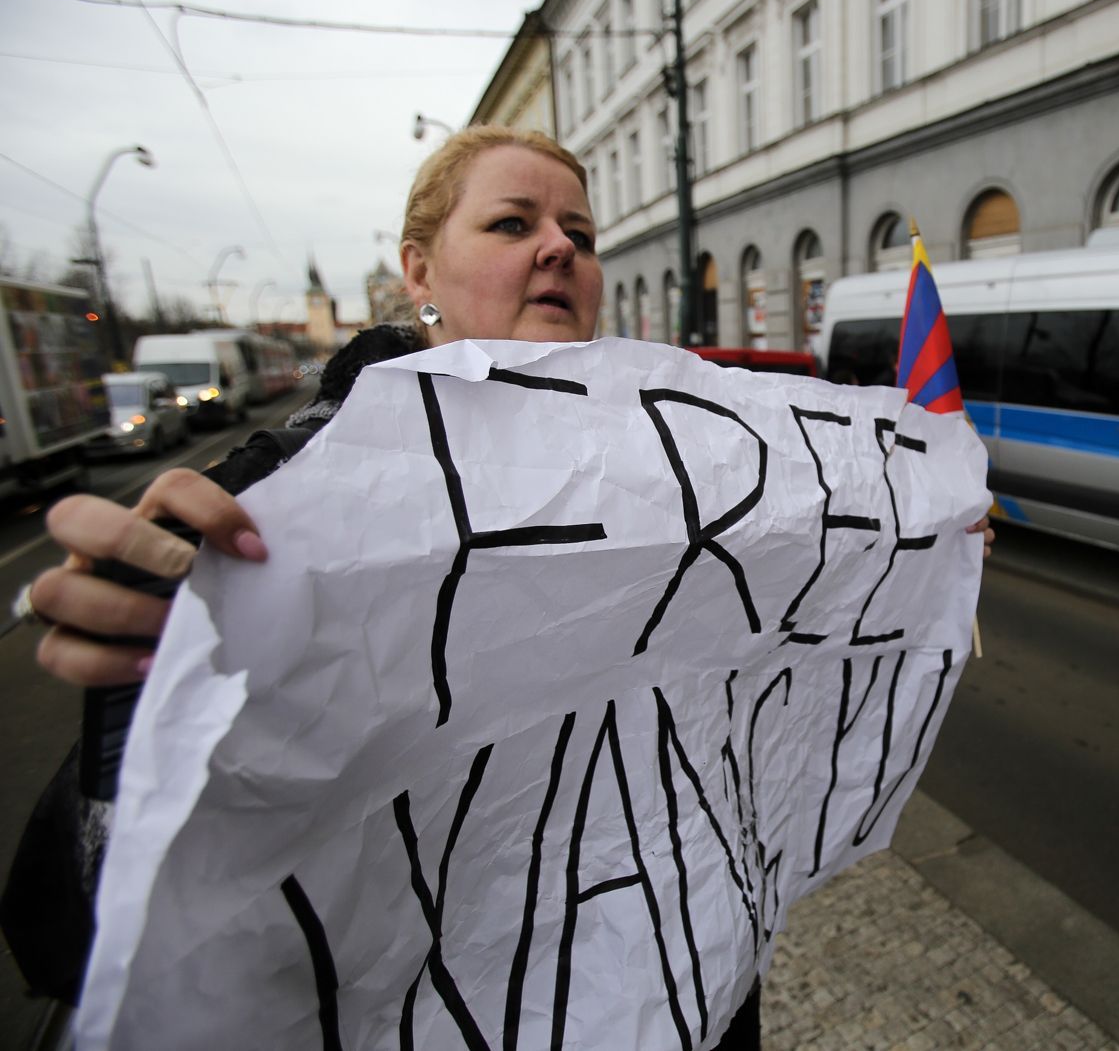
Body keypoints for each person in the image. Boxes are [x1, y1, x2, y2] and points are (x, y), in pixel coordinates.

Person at [12, 125, 995, 1042]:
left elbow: (792, 631)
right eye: (513, 223)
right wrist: (134, 734)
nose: (559, 246)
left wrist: (918, 534)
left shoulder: (704, 463)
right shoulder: (282, 500)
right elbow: (75, 934)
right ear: (418, 268)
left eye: (579, 229)